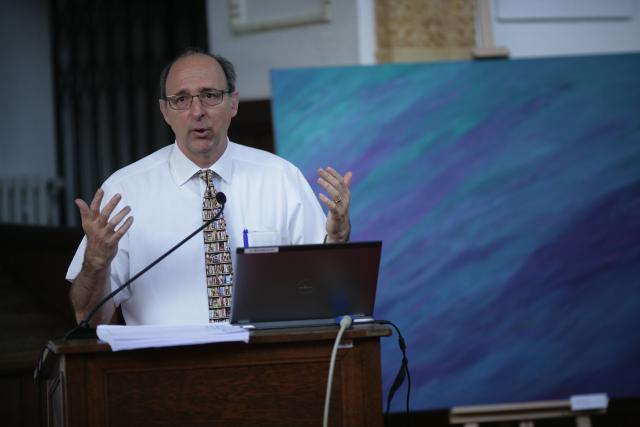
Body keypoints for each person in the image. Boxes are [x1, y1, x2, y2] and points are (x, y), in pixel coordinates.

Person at [66, 48, 352, 326]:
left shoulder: (280, 178)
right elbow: (88, 319)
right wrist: (96, 262)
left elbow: (325, 295)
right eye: (181, 99)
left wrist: (337, 240)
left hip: (266, 362)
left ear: (234, 103)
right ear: (165, 111)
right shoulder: (125, 191)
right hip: (163, 368)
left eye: (210, 96)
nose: (197, 111)